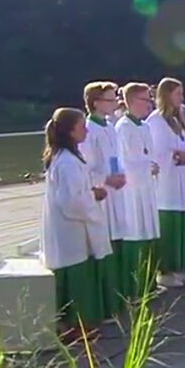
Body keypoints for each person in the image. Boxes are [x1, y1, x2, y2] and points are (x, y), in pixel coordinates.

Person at [40, 107, 110, 340]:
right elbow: (70, 201)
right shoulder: (67, 162)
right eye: (82, 127)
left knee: (75, 273)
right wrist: (95, 196)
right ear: (70, 131)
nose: (86, 131)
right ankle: (72, 325)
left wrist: (88, 192)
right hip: (70, 229)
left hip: (69, 228)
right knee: (74, 277)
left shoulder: (64, 157)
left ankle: (74, 324)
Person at [147, 78, 185, 288]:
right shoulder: (156, 121)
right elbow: (158, 153)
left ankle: (181, 267)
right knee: (170, 225)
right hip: (168, 183)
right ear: (167, 95)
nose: (182, 97)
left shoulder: (178, 121)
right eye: (178, 93)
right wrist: (177, 157)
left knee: (183, 223)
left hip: (183, 180)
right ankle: (165, 271)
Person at [78, 81, 125, 316]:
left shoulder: (110, 126)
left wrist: (121, 173)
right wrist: (107, 178)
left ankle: (115, 298)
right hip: (102, 193)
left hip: (115, 191)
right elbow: (87, 166)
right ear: (96, 103)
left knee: (115, 241)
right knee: (102, 242)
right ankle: (102, 303)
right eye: (110, 99)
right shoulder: (89, 130)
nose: (116, 102)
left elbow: (116, 157)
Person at [112, 83, 163, 296]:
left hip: (146, 188)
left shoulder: (144, 126)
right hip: (132, 192)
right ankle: (134, 287)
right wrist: (146, 166)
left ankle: (148, 283)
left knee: (148, 232)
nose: (149, 103)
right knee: (135, 233)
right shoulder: (123, 127)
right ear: (131, 102)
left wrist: (152, 165)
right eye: (145, 99)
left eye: (150, 99)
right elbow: (122, 161)